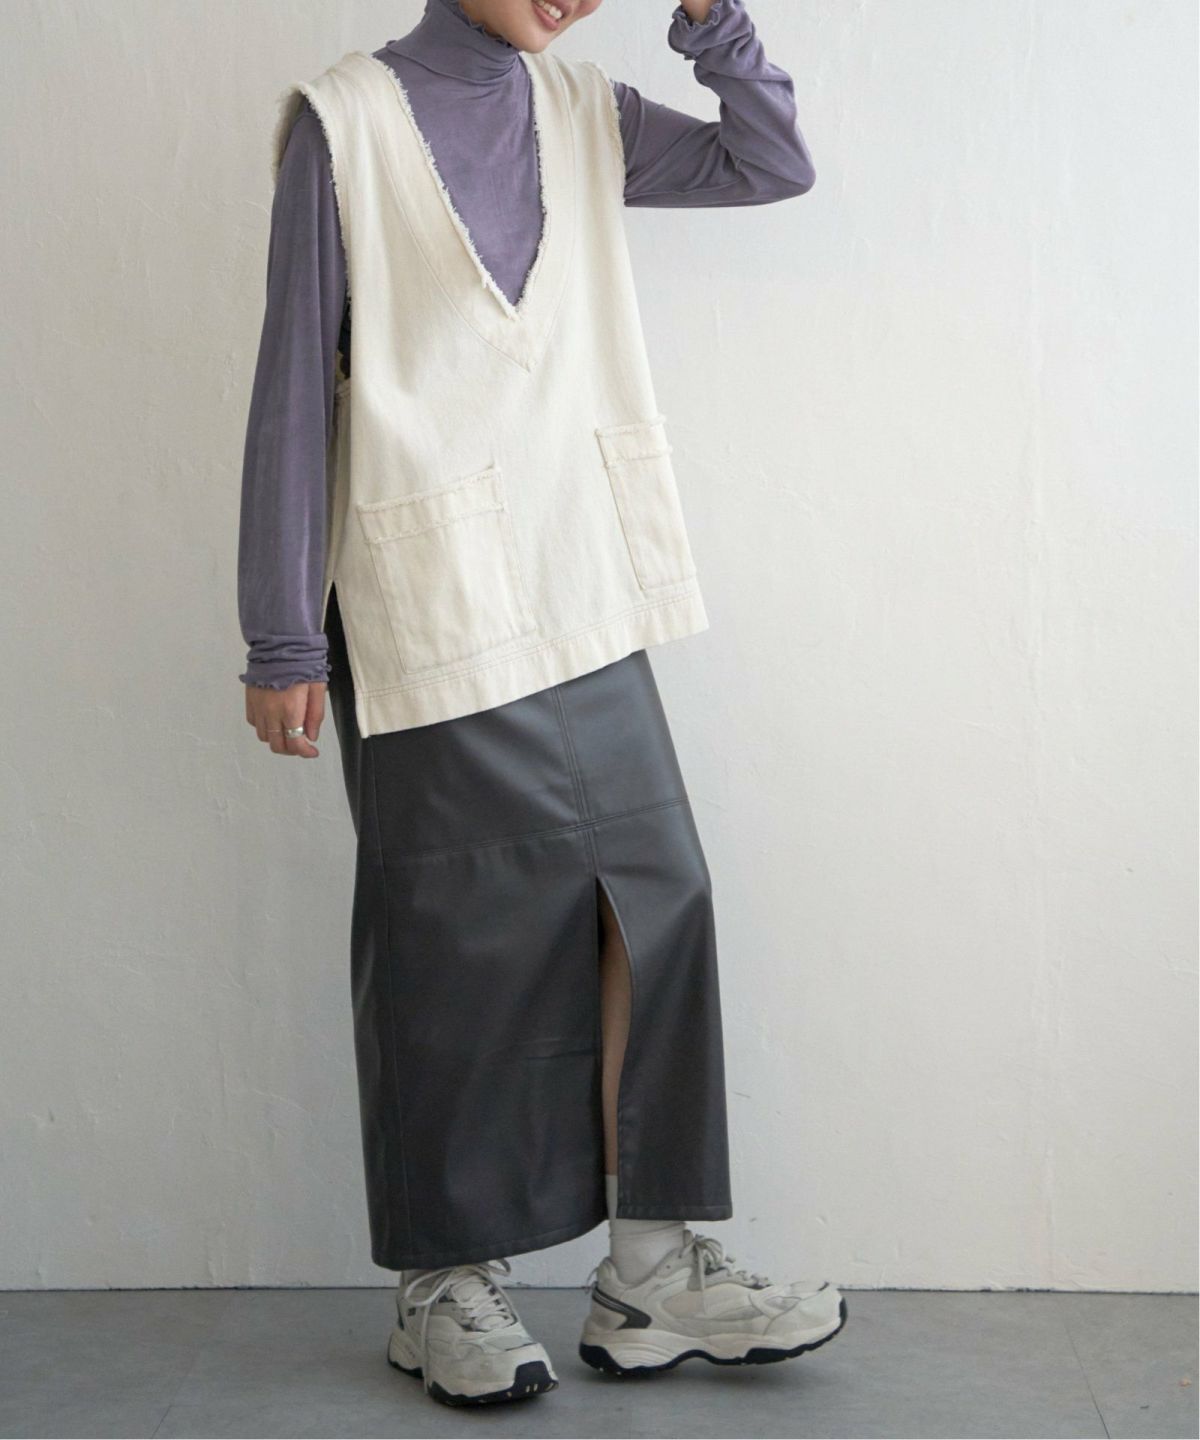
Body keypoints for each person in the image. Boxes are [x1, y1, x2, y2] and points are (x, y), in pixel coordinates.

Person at [237, 0, 845, 1410]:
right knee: (453, 940)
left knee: (658, 899)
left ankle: (652, 1273)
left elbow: (771, 163)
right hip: (426, 591)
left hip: (584, 571)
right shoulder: (344, 125)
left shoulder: (584, 113)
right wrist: (280, 637)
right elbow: (292, 389)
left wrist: (714, 23)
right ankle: (443, 1282)